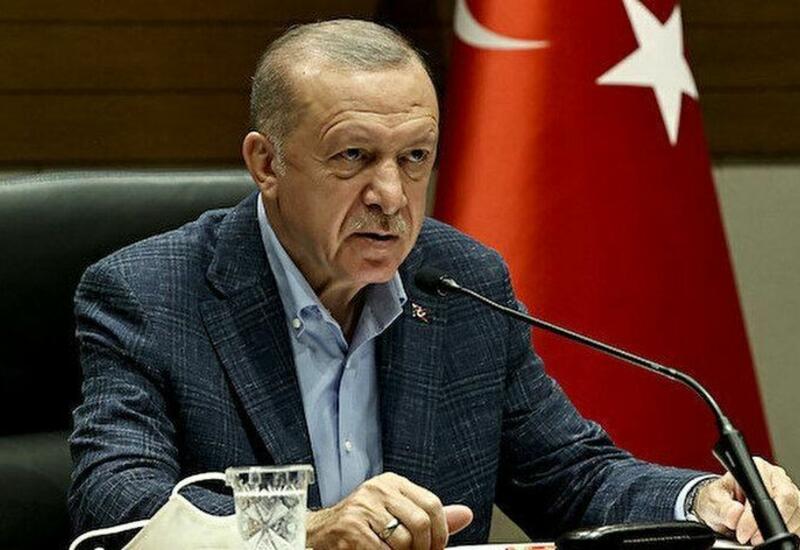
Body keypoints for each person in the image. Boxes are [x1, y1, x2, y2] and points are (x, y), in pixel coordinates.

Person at [69, 19, 799, 549]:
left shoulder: (459, 281)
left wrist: (701, 499)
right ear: (267, 163)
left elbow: (572, 477)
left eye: (415, 157)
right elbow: (117, 510)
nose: (391, 195)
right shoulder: (150, 294)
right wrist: (304, 531)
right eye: (354, 157)